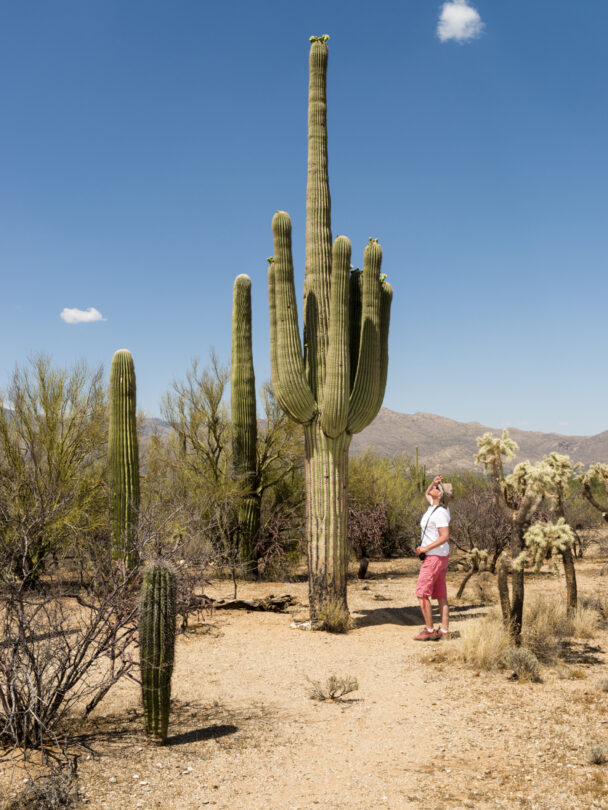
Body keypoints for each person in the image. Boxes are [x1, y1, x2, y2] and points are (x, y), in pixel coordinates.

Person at [413, 474, 451, 641]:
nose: (434, 489)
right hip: (440, 557)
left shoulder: (440, 513)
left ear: (440, 495)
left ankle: (429, 630)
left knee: (422, 593)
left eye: (437, 488)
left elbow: (445, 536)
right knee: (440, 594)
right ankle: (444, 630)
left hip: (434, 557)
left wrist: (425, 548)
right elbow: (427, 493)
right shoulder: (433, 507)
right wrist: (433, 483)